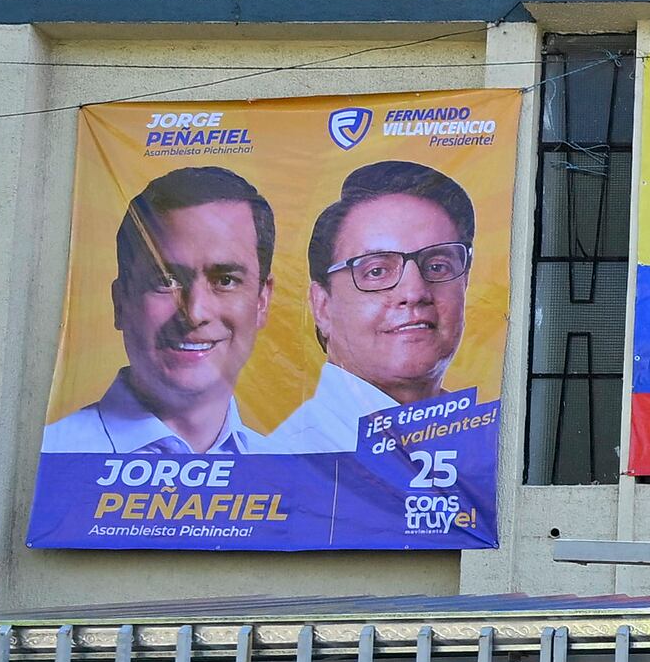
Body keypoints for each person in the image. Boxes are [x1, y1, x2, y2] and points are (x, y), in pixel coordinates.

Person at [37, 169, 277, 457]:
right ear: (120, 302)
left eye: (225, 280)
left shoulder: (290, 475)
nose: (195, 312)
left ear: (262, 300)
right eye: (166, 281)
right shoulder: (52, 456)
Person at [267, 156, 477, 456]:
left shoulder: (481, 442)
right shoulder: (288, 462)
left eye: (438, 265)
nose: (415, 291)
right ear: (322, 306)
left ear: (465, 284)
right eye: (377, 271)